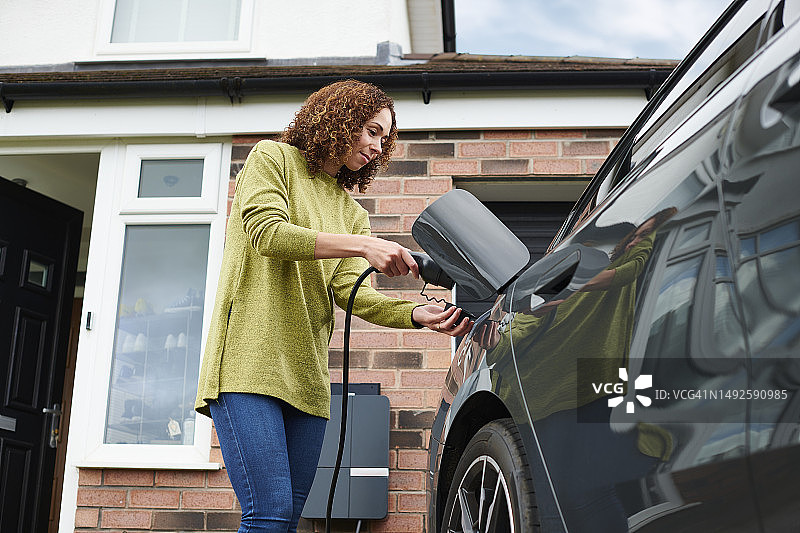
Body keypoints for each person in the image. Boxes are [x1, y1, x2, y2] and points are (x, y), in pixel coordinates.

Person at [194, 79, 472, 533]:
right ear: (338, 120)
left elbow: (350, 292)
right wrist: (363, 246)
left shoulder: (350, 210)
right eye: (371, 130)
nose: (378, 146)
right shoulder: (272, 160)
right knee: (268, 514)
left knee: (291, 521)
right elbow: (268, 234)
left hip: (306, 381)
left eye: (385, 138)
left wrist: (415, 315)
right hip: (246, 366)